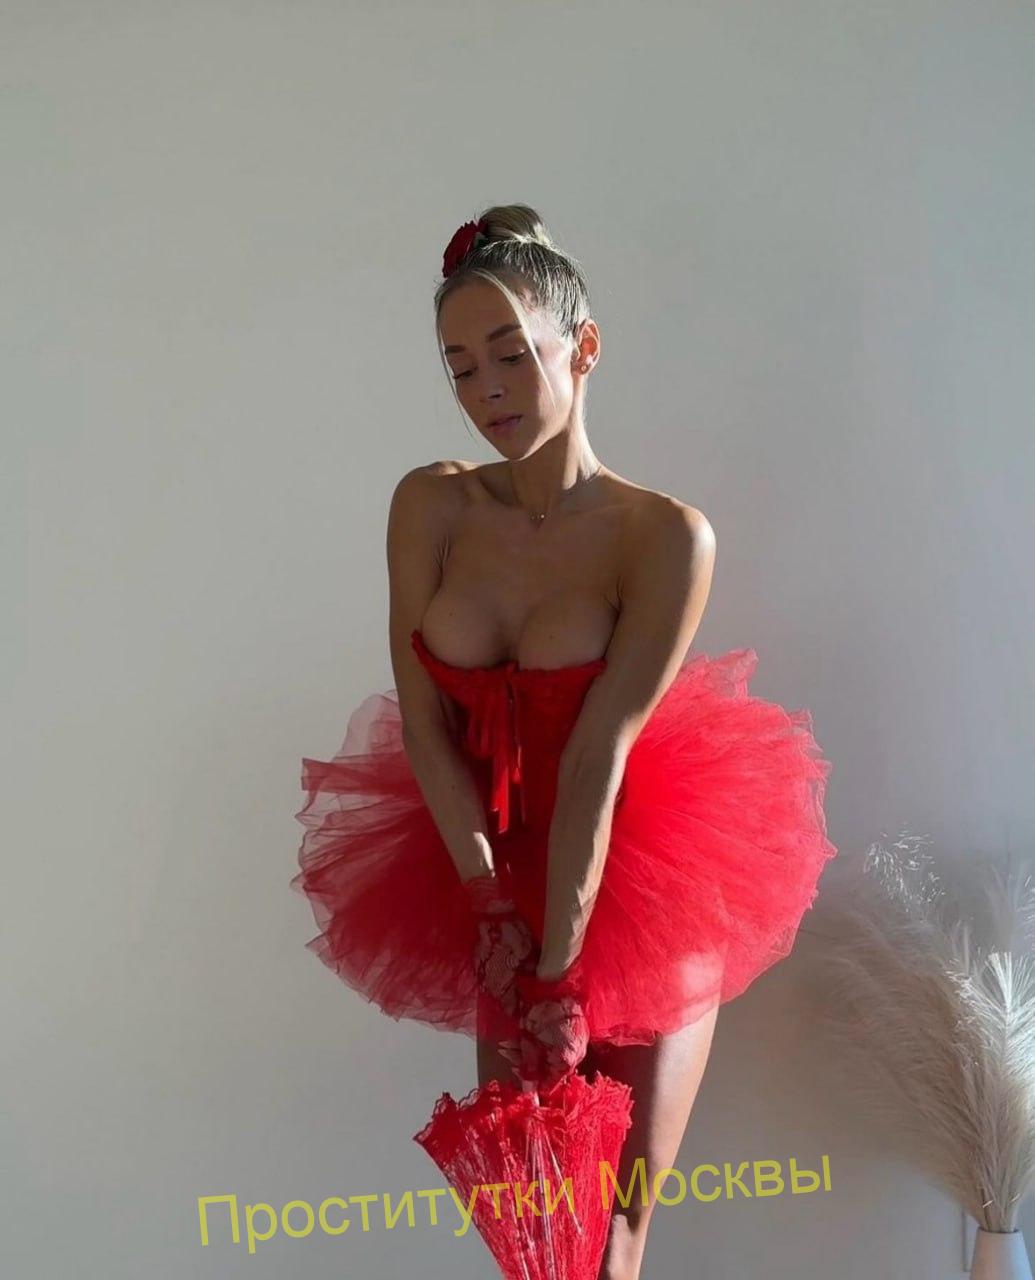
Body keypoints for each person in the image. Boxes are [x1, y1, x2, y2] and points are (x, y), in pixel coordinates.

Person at [292, 203, 837, 1280]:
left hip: (637, 874)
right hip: (490, 869)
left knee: (611, 1234)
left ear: (583, 347)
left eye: (511, 354)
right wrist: (493, 909)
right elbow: (422, 715)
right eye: (459, 367)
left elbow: (598, 755)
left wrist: (556, 966)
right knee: (534, 1233)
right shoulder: (430, 505)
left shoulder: (662, 535)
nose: (486, 390)